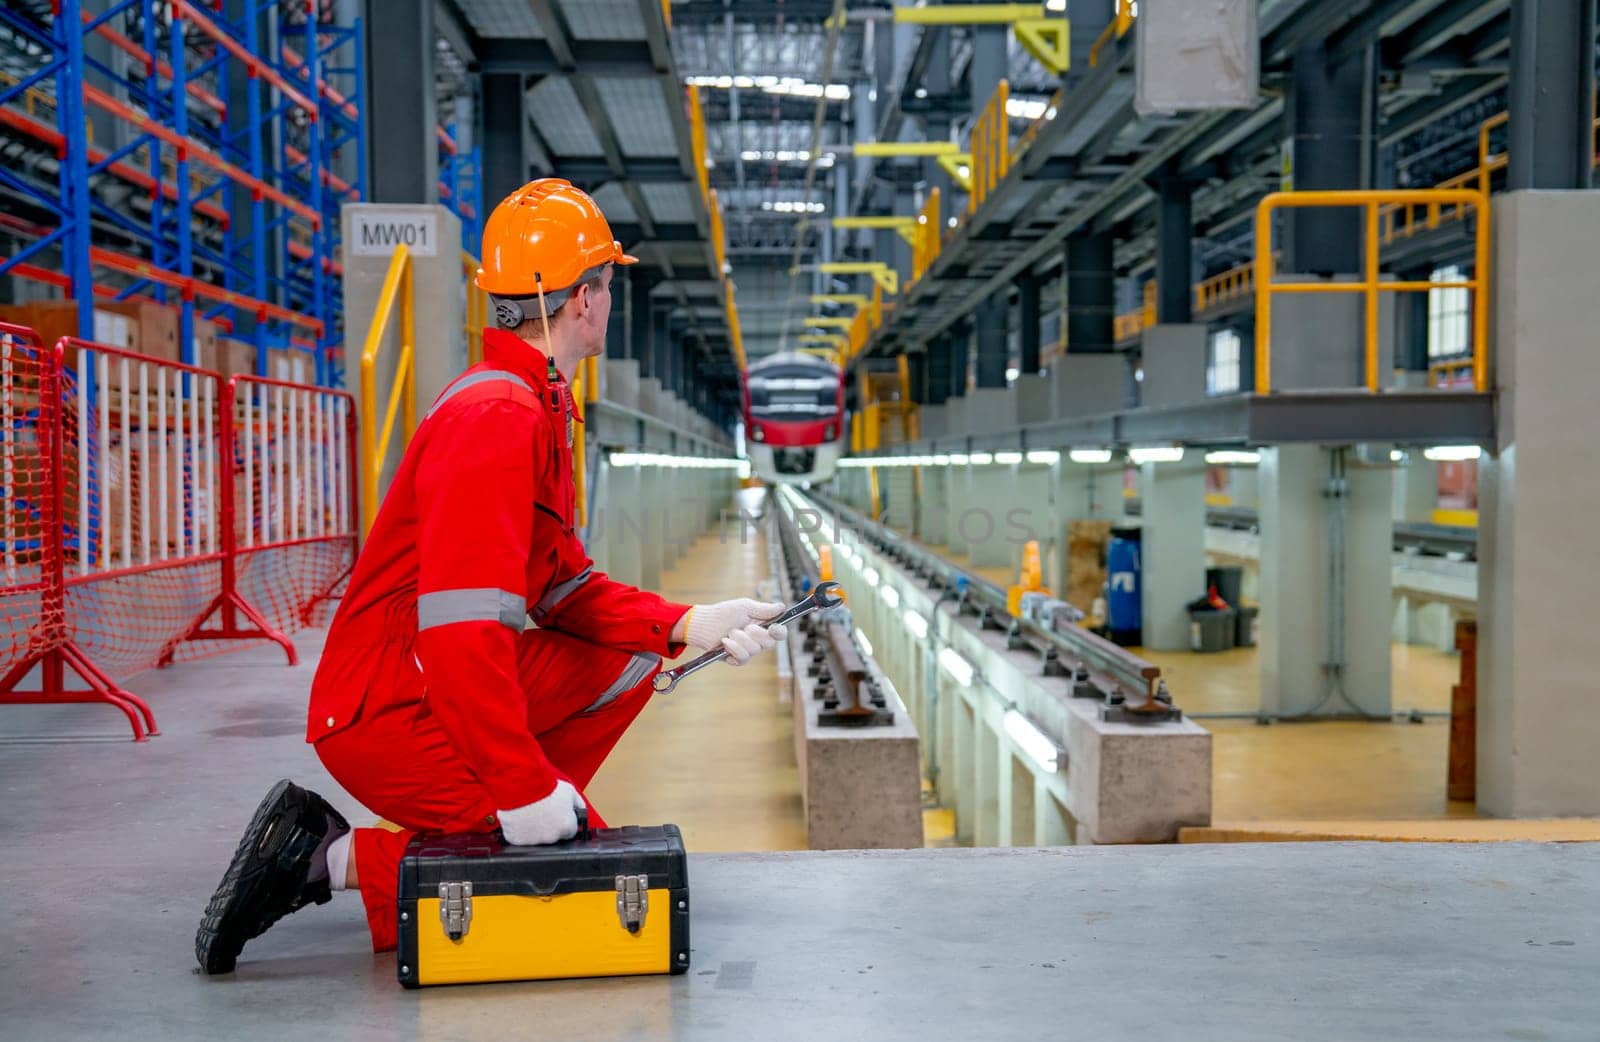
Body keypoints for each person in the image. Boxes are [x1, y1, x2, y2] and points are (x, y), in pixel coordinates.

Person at [196, 179, 786, 974]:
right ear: (584, 300)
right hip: (387, 707)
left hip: (413, 681)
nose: (610, 299)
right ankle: (317, 858)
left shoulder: (535, 402)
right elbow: (460, 632)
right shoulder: (497, 418)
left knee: (636, 657)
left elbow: (562, 589)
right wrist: (519, 789)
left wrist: (688, 623)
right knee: (563, 889)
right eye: (609, 282)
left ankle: (511, 813)